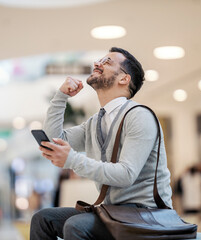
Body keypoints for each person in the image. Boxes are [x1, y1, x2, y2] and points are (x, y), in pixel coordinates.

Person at [30, 47, 173, 240]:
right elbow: (55, 140)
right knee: (42, 219)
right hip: (113, 211)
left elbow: (126, 175)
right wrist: (61, 97)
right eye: (99, 60)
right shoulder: (95, 123)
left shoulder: (139, 116)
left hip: (146, 212)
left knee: (76, 226)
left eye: (106, 62)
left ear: (124, 79)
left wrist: (72, 160)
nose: (97, 63)